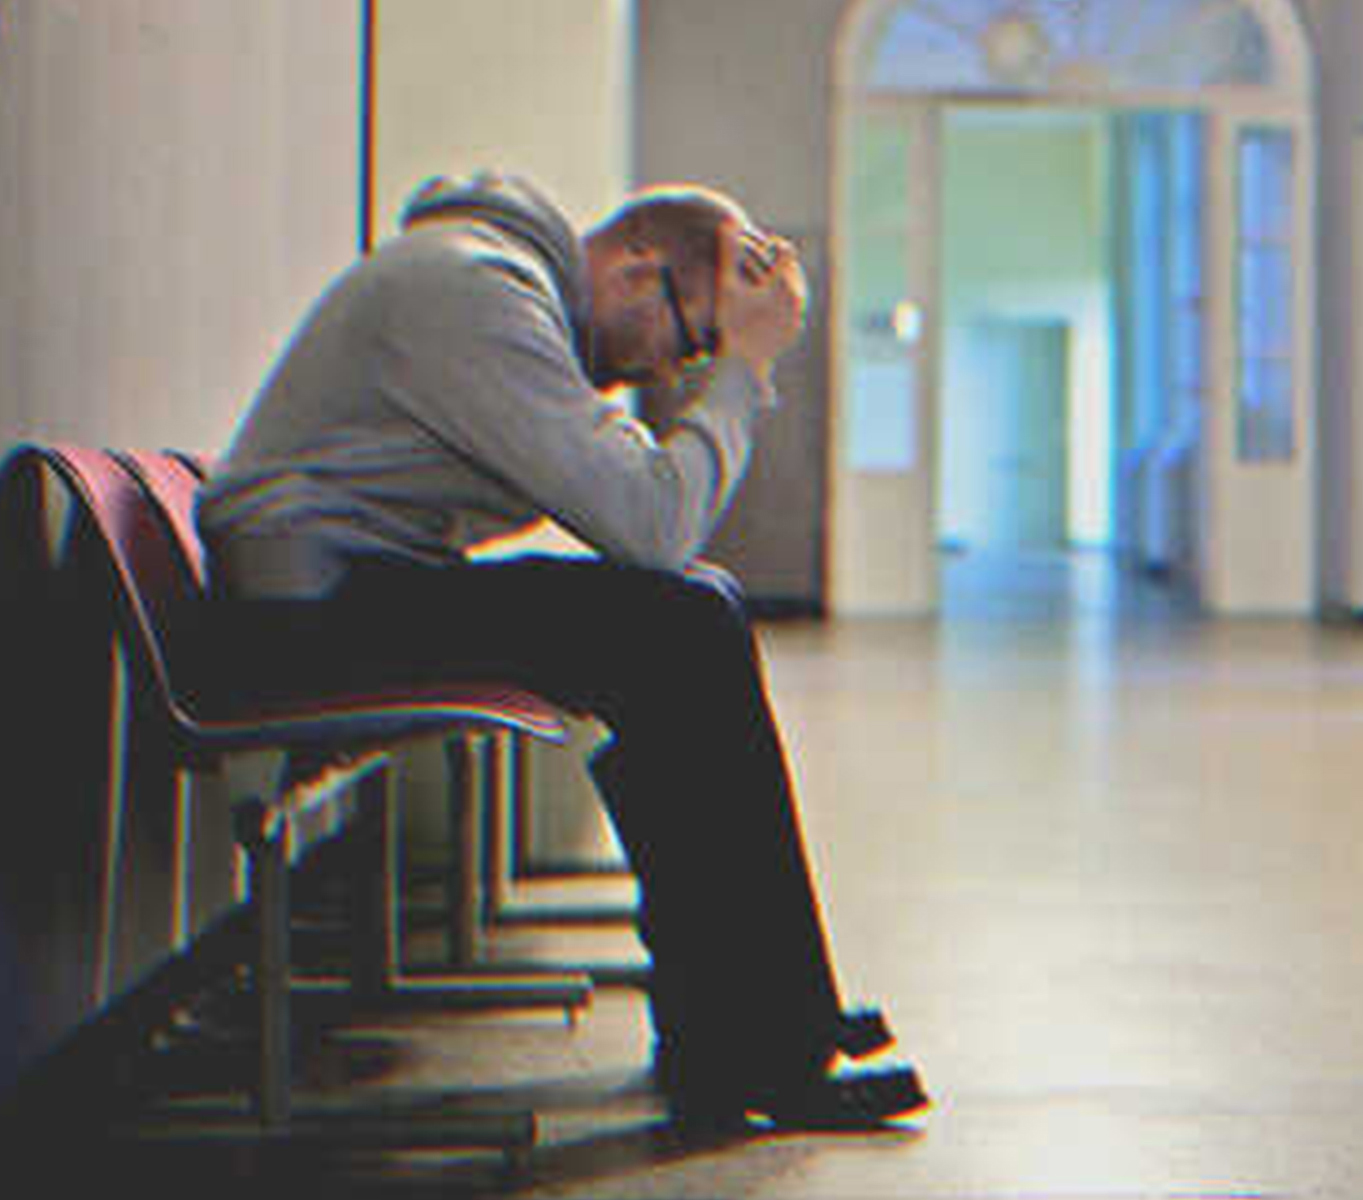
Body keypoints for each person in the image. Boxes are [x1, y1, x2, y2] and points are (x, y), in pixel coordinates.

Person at [192, 171, 926, 1133]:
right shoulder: (477, 296)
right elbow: (650, 521)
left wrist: (728, 361)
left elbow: (644, 513)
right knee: (681, 620)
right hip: (304, 619)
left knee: (692, 610)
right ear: (631, 267)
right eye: (693, 337)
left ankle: (745, 1021)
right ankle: (758, 1035)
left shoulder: (498, 291)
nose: (676, 372)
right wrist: (746, 372)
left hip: (342, 592)